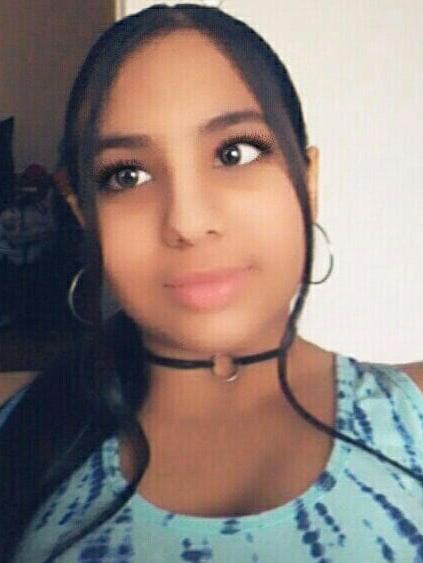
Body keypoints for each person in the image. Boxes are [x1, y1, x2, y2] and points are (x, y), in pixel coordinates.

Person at [0, 4, 422, 562]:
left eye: (234, 153)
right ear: (84, 214)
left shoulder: (412, 415)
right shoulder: (21, 437)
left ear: (308, 181)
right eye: (127, 175)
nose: (188, 222)